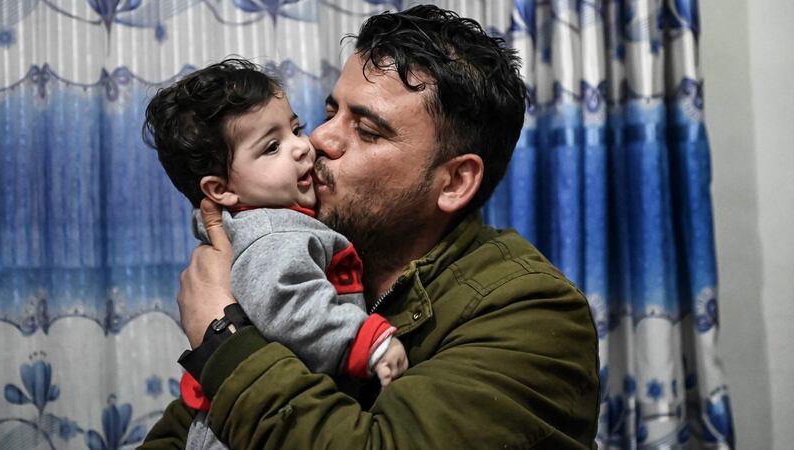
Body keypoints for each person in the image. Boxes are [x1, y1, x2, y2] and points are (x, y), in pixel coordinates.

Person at [142, 5, 600, 449]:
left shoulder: (531, 313)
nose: (318, 140)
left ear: (455, 181)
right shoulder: (308, 255)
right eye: (329, 113)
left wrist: (221, 337)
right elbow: (186, 431)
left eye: (367, 130)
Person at [142, 59, 409, 449]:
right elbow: (286, 304)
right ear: (221, 190)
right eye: (272, 147)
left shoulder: (261, 225)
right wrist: (369, 342)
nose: (304, 146)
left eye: (295, 128)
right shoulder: (273, 233)